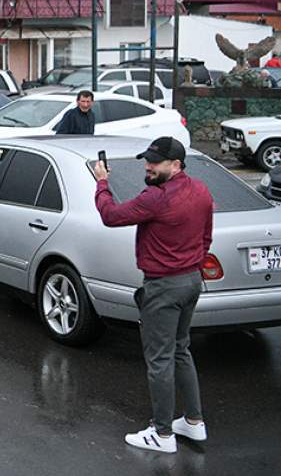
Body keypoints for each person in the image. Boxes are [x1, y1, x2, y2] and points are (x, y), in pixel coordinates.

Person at [93, 137, 212, 453]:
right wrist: (192, 265)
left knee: (159, 359)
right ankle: (193, 422)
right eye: (147, 160)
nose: (148, 165)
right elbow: (206, 237)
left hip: (163, 286)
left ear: (175, 165)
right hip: (191, 282)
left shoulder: (156, 197)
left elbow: (111, 215)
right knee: (180, 349)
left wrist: (102, 183)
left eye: (155, 162)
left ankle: (162, 434)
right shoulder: (201, 190)